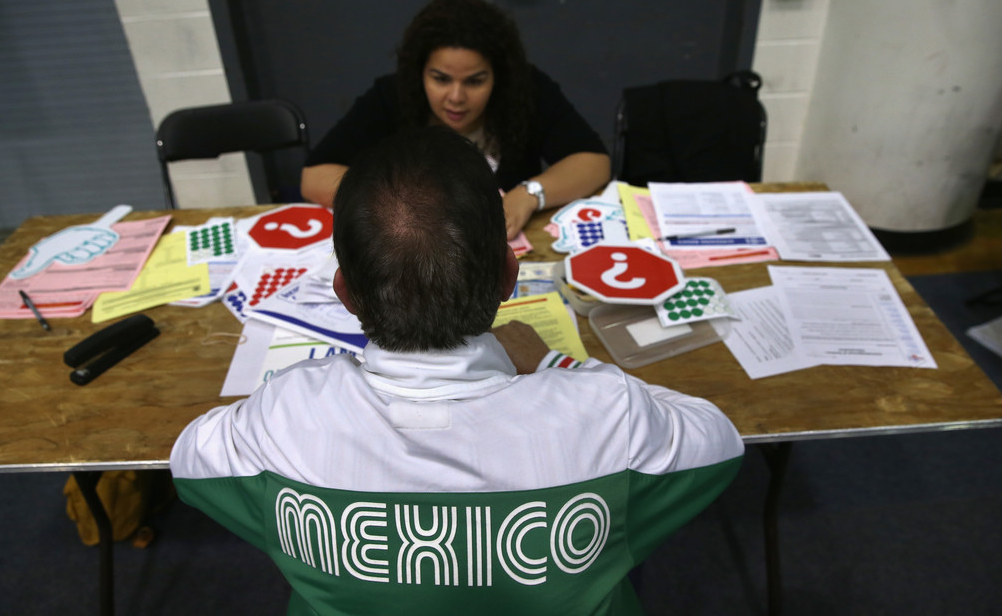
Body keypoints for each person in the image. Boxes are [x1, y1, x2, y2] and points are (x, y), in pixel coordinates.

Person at [172, 126, 743, 615]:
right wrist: (555, 363)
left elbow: (189, 456)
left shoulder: (285, 416)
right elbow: (719, 440)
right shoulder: (605, 412)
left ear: (345, 291)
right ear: (508, 274)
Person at [299, 0, 611, 240]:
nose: (456, 97)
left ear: (498, 76)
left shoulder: (526, 90)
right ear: (419, 72)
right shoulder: (391, 94)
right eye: (440, 79)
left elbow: (594, 162)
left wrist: (528, 194)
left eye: (475, 81)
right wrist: (400, 202)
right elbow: (314, 177)